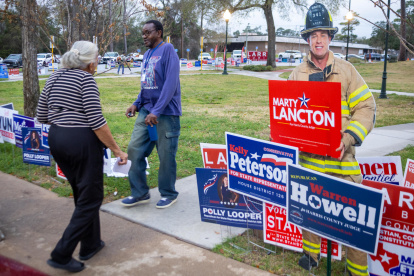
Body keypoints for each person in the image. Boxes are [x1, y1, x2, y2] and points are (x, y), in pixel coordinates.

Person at [288, 3, 376, 276]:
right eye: (313, 35)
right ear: (307, 39)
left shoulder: (348, 71)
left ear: (330, 37)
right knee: (310, 216)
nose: (318, 40)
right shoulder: (296, 74)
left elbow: (367, 107)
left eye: (323, 34)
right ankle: (310, 261)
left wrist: (350, 136)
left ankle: (356, 272)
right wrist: (285, 133)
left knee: (354, 223)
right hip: (309, 162)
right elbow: (287, 112)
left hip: (342, 160)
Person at [36, 41, 128, 273]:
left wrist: (64, 121)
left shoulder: (54, 78)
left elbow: (41, 115)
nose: (97, 62)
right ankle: (61, 253)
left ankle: (91, 244)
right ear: (88, 61)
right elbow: (97, 123)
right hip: (82, 142)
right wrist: (118, 150)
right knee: (91, 198)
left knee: (83, 192)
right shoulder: (86, 80)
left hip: (57, 139)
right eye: (96, 58)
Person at [121, 19, 181, 209]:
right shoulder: (147, 54)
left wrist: (157, 110)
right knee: (134, 150)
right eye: (143, 33)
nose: (144, 36)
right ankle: (140, 193)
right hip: (146, 111)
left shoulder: (168, 50)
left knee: (166, 155)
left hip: (166, 113)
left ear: (159, 33)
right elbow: (147, 83)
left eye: (148, 32)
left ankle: (169, 193)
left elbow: (170, 84)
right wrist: (136, 103)